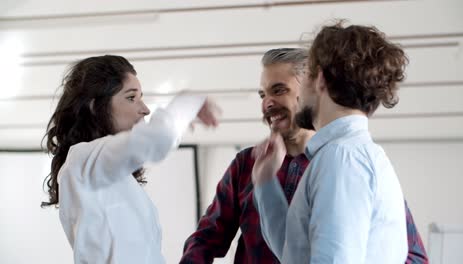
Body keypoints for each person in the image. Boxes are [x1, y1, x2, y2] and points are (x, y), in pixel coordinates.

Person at [181, 48, 428, 263]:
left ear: (311, 89)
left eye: (279, 90)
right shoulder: (247, 164)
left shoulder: (341, 163)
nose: (267, 103)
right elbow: (205, 239)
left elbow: (413, 255)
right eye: (262, 94)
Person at [253, 22, 410, 263]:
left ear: (321, 80)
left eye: (305, 77)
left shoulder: (341, 159)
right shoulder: (347, 154)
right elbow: (295, 253)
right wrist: (265, 183)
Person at [41, 55, 219, 263]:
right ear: (94, 106)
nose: (145, 109)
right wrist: (189, 101)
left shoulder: (118, 179)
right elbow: (158, 137)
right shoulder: (80, 160)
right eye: (131, 97)